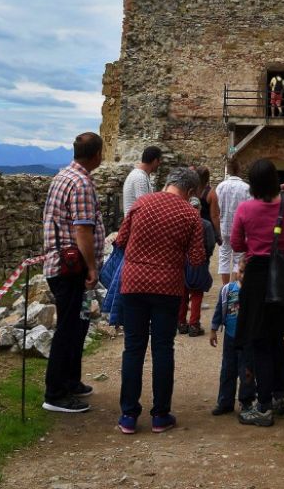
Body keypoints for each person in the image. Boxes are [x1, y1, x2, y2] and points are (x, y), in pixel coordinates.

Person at [115, 167, 205, 434]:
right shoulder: (189, 213)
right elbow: (198, 258)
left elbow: (120, 240)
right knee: (163, 348)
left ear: (167, 183)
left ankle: (128, 415)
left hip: (133, 283)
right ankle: (160, 415)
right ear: (190, 192)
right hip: (167, 287)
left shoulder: (141, 203)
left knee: (133, 348)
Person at [231, 158, 284, 427]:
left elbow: (236, 242)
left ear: (252, 183)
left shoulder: (246, 209)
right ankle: (279, 393)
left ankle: (263, 406)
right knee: (276, 338)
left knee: (261, 341)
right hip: (283, 275)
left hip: (257, 277)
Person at [42, 132, 105, 413]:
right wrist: (92, 266)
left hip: (64, 266)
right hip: (71, 269)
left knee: (77, 324)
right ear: (96, 155)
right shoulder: (80, 183)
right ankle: (55, 393)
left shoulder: (63, 176)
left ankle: (70, 380)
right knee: (67, 329)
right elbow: (82, 229)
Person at [209, 258, 256, 416]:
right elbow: (219, 310)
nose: (243, 276)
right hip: (230, 337)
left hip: (248, 338)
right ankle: (225, 401)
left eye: (247, 273)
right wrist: (213, 330)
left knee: (247, 371)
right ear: (236, 271)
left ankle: (246, 402)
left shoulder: (255, 292)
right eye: (241, 272)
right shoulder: (228, 289)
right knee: (227, 370)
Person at [178, 195, 216, 337]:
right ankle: (194, 324)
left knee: (183, 292)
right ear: (199, 208)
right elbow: (210, 244)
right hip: (199, 261)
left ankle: (181, 322)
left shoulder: (182, 222)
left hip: (184, 260)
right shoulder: (205, 224)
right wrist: (206, 256)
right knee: (197, 293)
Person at [216, 159, 250, 284]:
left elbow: (216, 207)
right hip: (240, 228)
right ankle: (233, 287)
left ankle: (225, 287)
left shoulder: (220, 187)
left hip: (224, 226)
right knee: (238, 258)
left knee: (224, 257)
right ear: (239, 170)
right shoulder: (246, 188)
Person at [122, 146, 162, 215]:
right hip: (134, 224)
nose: (160, 163)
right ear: (155, 161)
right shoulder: (139, 178)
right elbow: (144, 208)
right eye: (159, 160)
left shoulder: (140, 175)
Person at [196, 165, 221, 242]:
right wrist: (218, 233)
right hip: (206, 229)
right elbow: (214, 216)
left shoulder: (191, 189)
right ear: (208, 177)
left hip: (193, 225)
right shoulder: (211, 193)